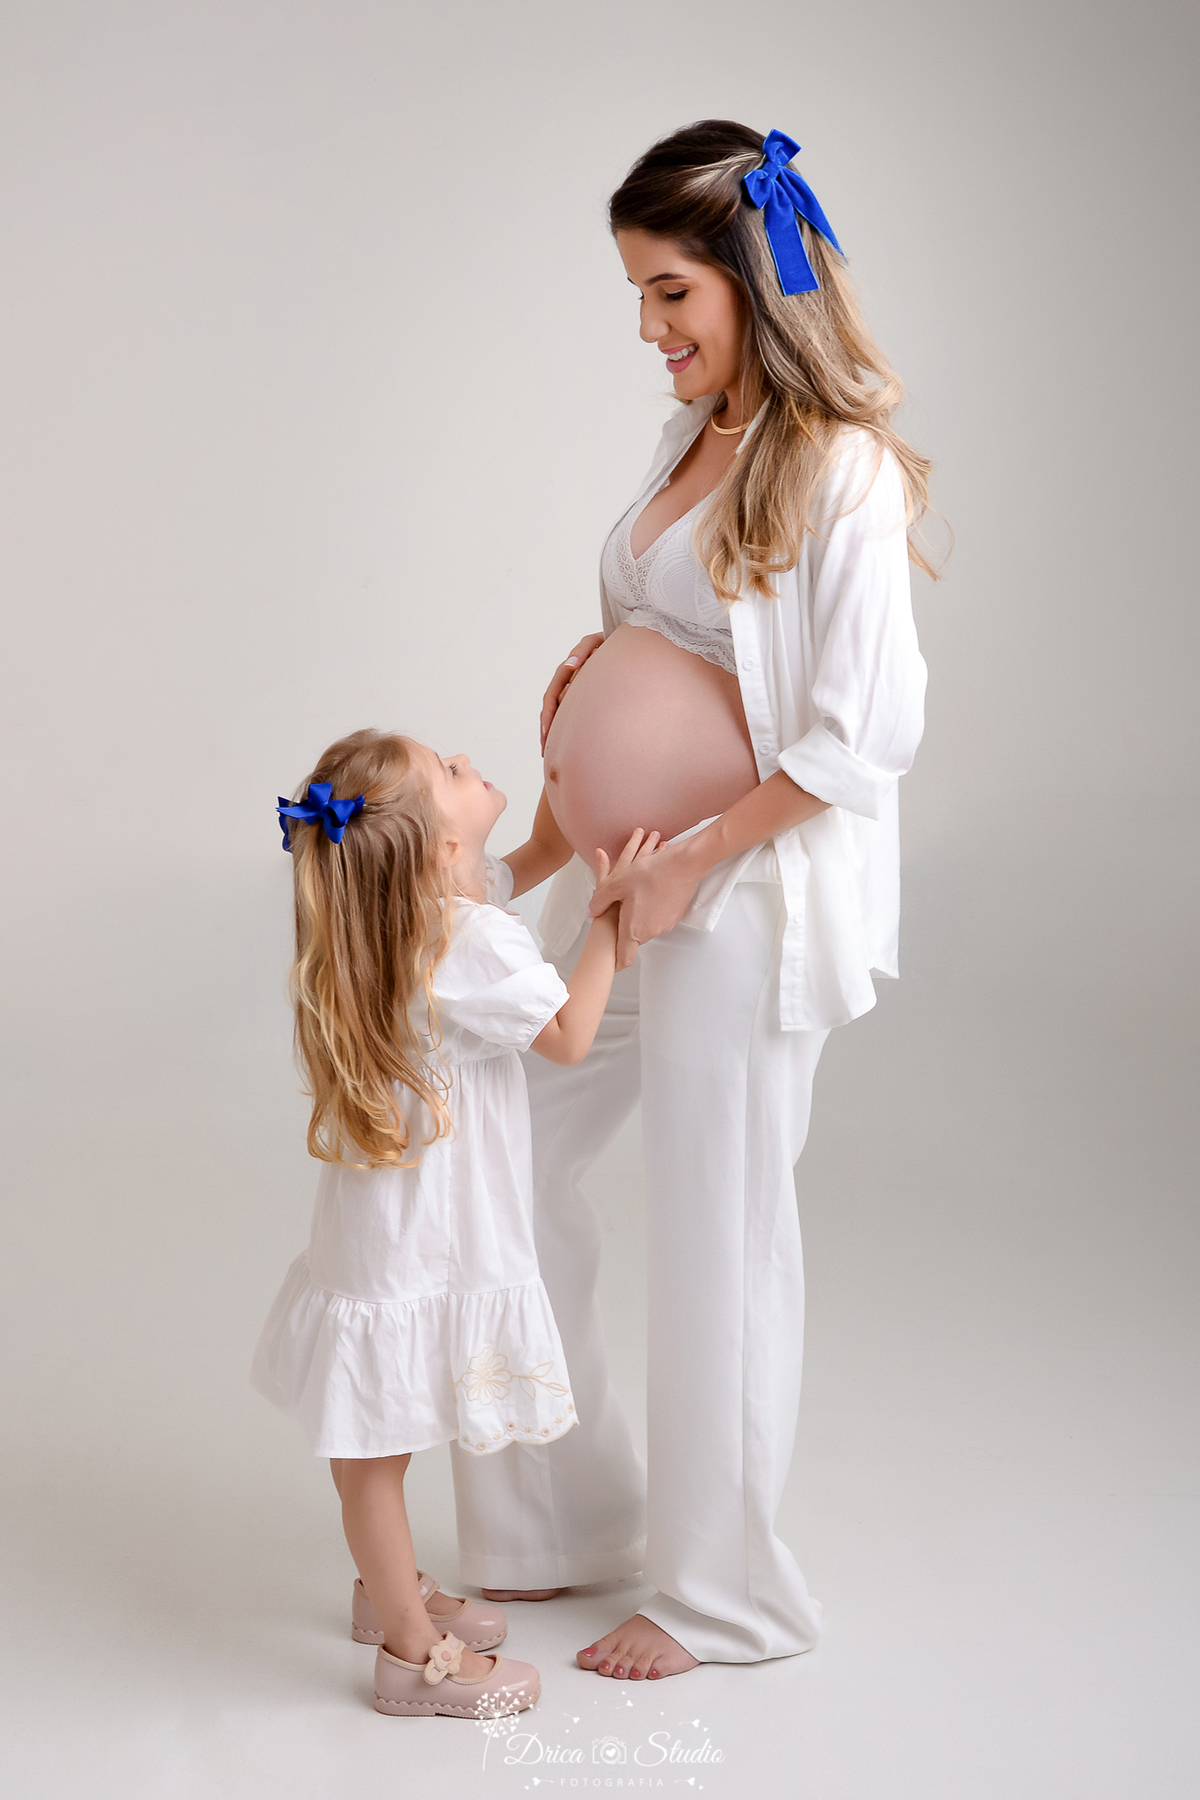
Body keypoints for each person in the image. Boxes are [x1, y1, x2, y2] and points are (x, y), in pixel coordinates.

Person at [449, 120, 935, 1681]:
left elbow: (856, 737)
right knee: (502, 1149)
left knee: (718, 1232)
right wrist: (583, 732)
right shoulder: (687, 438)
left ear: (747, 278)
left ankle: (725, 1594)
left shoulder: (839, 467)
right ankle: (554, 1523)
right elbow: (669, 644)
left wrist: (692, 863)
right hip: (625, 891)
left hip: (742, 895)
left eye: (670, 293)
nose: (648, 332)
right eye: (637, 299)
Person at [250, 727, 655, 1717]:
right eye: (450, 770)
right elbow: (566, 1035)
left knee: (369, 1441)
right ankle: (409, 1653)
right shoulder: (467, 938)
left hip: (373, 1229)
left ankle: (384, 1591)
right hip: (425, 1238)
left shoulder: (415, 914)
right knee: (379, 1452)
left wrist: (567, 755)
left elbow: (534, 854)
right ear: (438, 848)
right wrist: (611, 920)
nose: (468, 758)